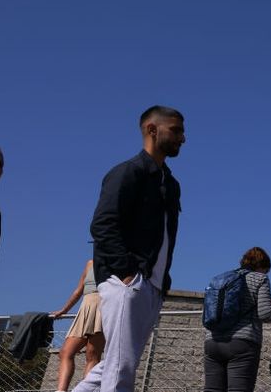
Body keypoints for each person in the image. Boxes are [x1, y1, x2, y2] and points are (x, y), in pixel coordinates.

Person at [73, 105, 185, 392]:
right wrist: (126, 274)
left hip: (152, 286)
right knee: (120, 367)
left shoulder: (170, 184)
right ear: (151, 129)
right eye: (175, 130)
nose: (182, 138)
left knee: (117, 363)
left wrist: (159, 283)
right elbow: (103, 225)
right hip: (127, 282)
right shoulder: (127, 173)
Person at [204, 247, 271, 392]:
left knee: (212, 390)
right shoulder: (260, 278)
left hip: (212, 341)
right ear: (262, 266)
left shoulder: (221, 278)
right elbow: (266, 314)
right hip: (242, 343)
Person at [51, 260, 105, 392]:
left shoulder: (117, 259)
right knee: (65, 352)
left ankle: (87, 390)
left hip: (103, 307)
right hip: (85, 308)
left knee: (92, 355)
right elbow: (78, 291)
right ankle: (61, 390)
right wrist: (64, 309)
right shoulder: (90, 263)